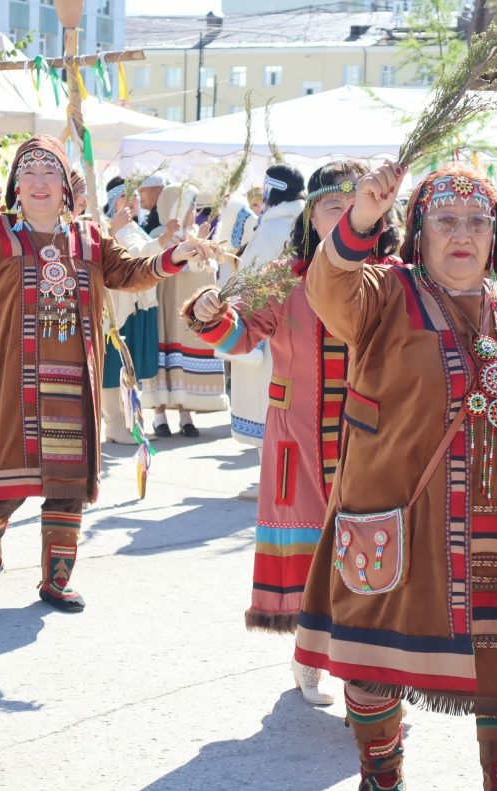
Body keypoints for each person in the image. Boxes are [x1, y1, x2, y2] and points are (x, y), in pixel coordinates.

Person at [294, 163, 497, 791]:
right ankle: (382, 773)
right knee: (375, 663)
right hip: (404, 515)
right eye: (445, 221)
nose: (463, 234)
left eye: (478, 222)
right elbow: (328, 286)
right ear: (418, 235)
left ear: (495, 236)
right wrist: (362, 218)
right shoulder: (384, 295)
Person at [0, 135, 218, 612]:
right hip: (8, 382)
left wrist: (176, 257)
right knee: (7, 482)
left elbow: (131, 272)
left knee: (66, 487)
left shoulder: (89, 237)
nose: (39, 183)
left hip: (72, 383)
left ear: (65, 188)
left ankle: (56, 581)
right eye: (29, 174)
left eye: (49, 174)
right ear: (14, 188)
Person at [188, 161, 400, 706]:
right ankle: (309, 655)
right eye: (334, 205)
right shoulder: (286, 276)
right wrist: (209, 310)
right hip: (300, 438)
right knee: (313, 556)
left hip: (377, 437)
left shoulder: (397, 276)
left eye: (357, 205)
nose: (347, 215)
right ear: (312, 214)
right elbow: (238, 336)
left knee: (372, 548)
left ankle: (367, 672)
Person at [221, 164, 306, 495]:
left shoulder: (272, 229)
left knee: (264, 402)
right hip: (295, 328)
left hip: (266, 329)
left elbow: (249, 281)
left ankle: (271, 479)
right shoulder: (303, 223)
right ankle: (281, 478)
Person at [144, 183, 227, 437]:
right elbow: (153, 264)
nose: (194, 210)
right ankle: (159, 415)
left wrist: (204, 244)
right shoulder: (159, 235)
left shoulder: (193, 235)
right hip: (166, 307)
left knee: (184, 352)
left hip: (188, 311)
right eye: (190, 205)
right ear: (177, 207)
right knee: (164, 353)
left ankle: (185, 413)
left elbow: (208, 269)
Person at [101, 176, 168, 445]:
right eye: (124, 198)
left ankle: (129, 422)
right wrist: (165, 240)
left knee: (131, 368)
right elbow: (140, 255)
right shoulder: (109, 228)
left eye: (135, 199)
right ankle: (114, 424)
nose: (131, 204)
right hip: (119, 307)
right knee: (114, 367)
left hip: (140, 303)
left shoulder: (135, 228)